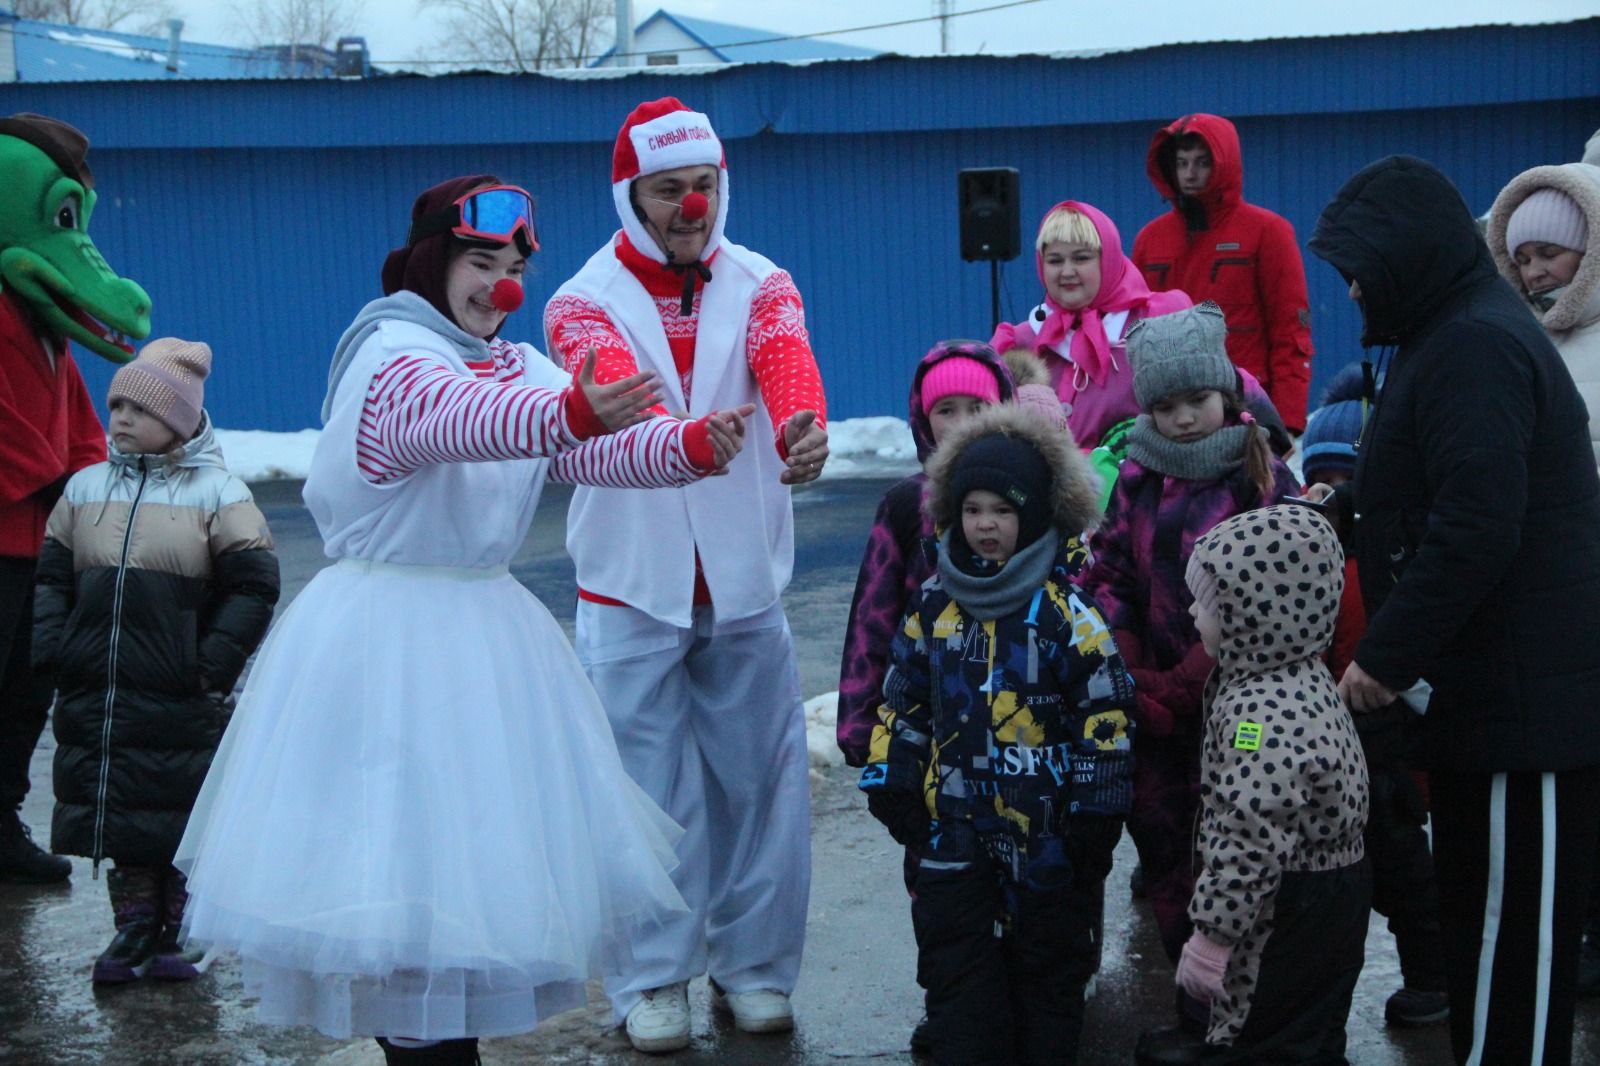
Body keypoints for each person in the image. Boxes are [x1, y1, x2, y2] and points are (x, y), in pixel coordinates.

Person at [175, 175, 749, 1065]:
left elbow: (587, 437)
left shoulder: (511, 362)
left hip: (481, 637)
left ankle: (447, 1047)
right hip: (386, 640)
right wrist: (566, 411)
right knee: (401, 878)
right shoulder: (391, 352)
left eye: (513, 264)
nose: (501, 284)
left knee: (475, 876)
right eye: (482, 261)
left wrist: (686, 443)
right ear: (438, 259)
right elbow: (454, 423)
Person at [543, 97, 828, 1053]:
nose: (691, 204)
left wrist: (799, 423)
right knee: (644, 796)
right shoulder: (579, 300)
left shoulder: (764, 281)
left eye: (703, 185)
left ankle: (754, 970)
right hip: (630, 584)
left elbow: (784, 353)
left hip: (743, 579)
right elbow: (611, 389)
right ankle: (650, 979)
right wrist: (686, 440)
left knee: (762, 785)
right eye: (668, 189)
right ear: (632, 195)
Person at [1307, 154, 1600, 1066]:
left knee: (1517, 955)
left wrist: (1384, 657)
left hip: (1530, 719)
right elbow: (1438, 486)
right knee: (1486, 932)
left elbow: (1478, 522)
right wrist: (1346, 511)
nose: (1352, 286)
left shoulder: (1475, 342)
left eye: (1359, 264)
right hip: (1489, 709)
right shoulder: (1450, 332)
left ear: (1408, 252)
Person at [859, 402, 1134, 1066]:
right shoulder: (933, 603)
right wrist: (894, 779)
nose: (986, 523)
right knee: (959, 981)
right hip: (952, 834)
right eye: (974, 508)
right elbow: (904, 703)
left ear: (1036, 515)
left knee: (1046, 985)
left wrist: (1094, 817)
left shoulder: (1066, 614)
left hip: (1045, 841)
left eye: (1003, 510)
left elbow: (1106, 720)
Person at [1079, 302, 1298, 1063]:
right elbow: (1107, 573)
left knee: (1240, 855)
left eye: (1194, 402)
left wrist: (1183, 683)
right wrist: (1134, 666)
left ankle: (1255, 1009)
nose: (1180, 419)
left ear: (1227, 396)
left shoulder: (1259, 475)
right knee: (1169, 846)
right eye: (1164, 405)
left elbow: (1278, 598)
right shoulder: (1136, 475)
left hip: (1240, 712)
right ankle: (1198, 1007)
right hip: (1152, 709)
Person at [30, 338, 279, 983]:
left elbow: (253, 587)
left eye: (137, 409)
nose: (119, 418)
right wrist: (56, 646)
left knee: (178, 811)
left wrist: (208, 667)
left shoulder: (218, 493)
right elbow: (52, 576)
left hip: (179, 690)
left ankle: (180, 928)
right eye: (114, 405)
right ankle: (132, 926)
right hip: (101, 689)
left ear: (176, 420)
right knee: (118, 814)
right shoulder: (85, 490)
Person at [0, 113, 151, 884]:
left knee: (28, 686)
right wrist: (62, 481)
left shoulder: (40, 316)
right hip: (7, 531)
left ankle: (1, 819)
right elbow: (13, 433)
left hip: (38, 541)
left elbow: (78, 422)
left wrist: (100, 474)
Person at [1179, 504, 1370, 1063]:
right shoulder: (1301, 671)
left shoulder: (1259, 719)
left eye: (1210, 604)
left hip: (1288, 908)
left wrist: (1212, 941)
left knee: (1266, 1034)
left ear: (1255, 614)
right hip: (1331, 893)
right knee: (1310, 1031)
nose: (1194, 613)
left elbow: (1247, 841)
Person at [1301, 367, 1450, 1028]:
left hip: (1386, 754)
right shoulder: (1304, 562)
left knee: (1406, 879)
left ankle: (1433, 977)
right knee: (1329, 888)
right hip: (1322, 755)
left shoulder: (1393, 564)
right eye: (1321, 482)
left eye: (1347, 481)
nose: (1334, 498)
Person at [1131, 114, 1314, 433]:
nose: (1190, 174)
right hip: (1175, 415)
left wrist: (1287, 422)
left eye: (1202, 162)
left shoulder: (1268, 232)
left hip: (1248, 408)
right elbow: (1135, 335)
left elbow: (1290, 332)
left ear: (1224, 164)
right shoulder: (1150, 240)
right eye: (1181, 162)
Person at [991, 200, 1193, 450]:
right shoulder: (1020, 341)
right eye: (1055, 261)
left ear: (1107, 260)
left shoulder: (1158, 321)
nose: (1067, 272)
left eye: (1081, 258)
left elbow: (1218, 393)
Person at [1487, 163, 1599, 468]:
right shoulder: (1515, 340)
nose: (1534, 273)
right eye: (1521, 260)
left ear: (1591, 251)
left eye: (1549, 253)